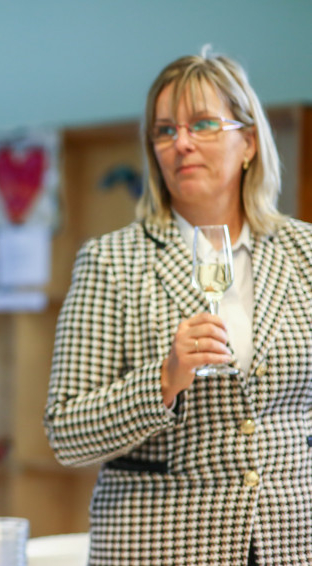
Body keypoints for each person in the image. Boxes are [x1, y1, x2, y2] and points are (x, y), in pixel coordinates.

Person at [44, 46, 312, 565]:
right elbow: (66, 433)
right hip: (162, 546)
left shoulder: (305, 252)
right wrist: (164, 380)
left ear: (249, 142)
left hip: (291, 542)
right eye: (165, 131)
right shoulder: (112, 261)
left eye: (203, 124)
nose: (181, 143)